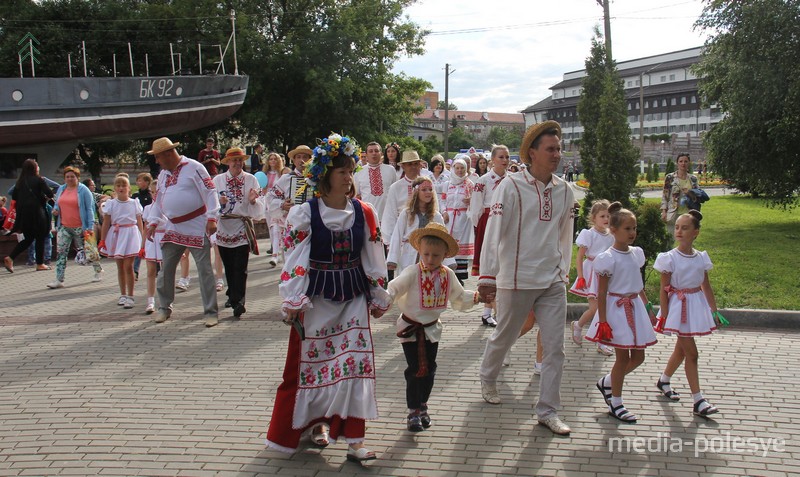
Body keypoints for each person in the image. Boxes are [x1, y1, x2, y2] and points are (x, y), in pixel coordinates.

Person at [266, 133, 390, 462]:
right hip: (316, 301)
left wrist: (378, 295)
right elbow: (294, 259)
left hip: (353, 298)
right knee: (311, 368)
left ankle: (354, 441)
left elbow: (373, 256)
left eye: (351, 171)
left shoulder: (364, 212)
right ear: (325, 176)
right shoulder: (305, 213)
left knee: (354, 368)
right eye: (342, 172)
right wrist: (292, 300)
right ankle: (313, 425)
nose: (349, 178)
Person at [477, 121, 575, 436]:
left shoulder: (564, 189)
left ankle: (548, 410)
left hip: (550, 281)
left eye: (559, 149)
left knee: (555, 347)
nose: (557, 154)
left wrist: (564, 268)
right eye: (550, 149)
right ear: (532, 153)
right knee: (505, 336)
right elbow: (494, 232)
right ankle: (488, 377)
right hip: (515, 279)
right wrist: (488, 275)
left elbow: (565, 234)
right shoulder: (511, 186)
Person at [388, 222, 484, 432]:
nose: (430, 260)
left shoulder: (447, 274)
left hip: (431, 330)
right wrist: (384, 300)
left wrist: (477, 297)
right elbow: (395, 288)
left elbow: (458, 296)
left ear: (444, 255)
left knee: (430, 369)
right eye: (426, 254)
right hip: (411, 329)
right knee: (415, 369)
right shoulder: (412, 272)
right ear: (419, 252)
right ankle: (413, 410)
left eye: (436, 256)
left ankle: (423, 405)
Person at [584, 202, 658, 423]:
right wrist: (603, 322)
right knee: (622, 357)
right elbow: (602, 292)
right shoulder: (608, 258)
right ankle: (616, 402)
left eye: (634, 228)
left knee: (639, 356)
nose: (632, 233)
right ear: (613, 231)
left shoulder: (636, 254)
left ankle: (607, 382)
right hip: (616, 311)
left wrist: (647, 307)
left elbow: (638, 284)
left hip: (634, 308)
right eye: (627, 229)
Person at [653, 210, 724, 417]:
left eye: (685, 228)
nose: (679, 231)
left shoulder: (701, 257)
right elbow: (664, 289)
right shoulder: (669, 258)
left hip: (695, 307)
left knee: (682, 351)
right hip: (678, 309)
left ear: (696, 233)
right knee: (692, 353)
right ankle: (698, 400)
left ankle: (664, 380)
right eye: (677, 227)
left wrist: (714, 311)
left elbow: (706, 285)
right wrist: (664, 315)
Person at [145, 137, 220, 327]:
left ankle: (211, 311)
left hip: (196, 224)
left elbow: (210, 191)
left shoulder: (194, 167)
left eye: (158, 157)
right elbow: (159, 199)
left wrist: (212, 218)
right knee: (166, 269)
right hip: (173, 227)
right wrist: (154, 221)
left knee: (204, 270)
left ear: (169, 154)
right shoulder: (163, 174)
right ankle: (164, 307)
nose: (156, 161)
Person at [213, 147, 261, 319]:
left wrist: (253, 201)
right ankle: (232, 294)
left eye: (240, 160)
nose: (237, 163)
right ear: (228, 163)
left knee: (240, 266)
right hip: (224, 226)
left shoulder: (251, 179)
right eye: (234, 160)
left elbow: (258, 206)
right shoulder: (218, 180)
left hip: (242, 225)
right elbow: (211, 205)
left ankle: (238, 301)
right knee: (229, 265)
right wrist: (220, 202)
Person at [469, 145, 510, 325]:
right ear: (492, 159)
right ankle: (488, 312)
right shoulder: (483, 180)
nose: (505, 160)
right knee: (490, 266)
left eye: (507, 157)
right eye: (501, 157)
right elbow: (476, 207)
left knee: (505, 267)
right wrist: (480, 228)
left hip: (508, 223)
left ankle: (496, 311)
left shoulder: (513, 180)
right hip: (489, 222)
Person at [569, 199, 615, 356]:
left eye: (608, 216)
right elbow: (580, 257)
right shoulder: (589, 234)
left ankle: (601, 342)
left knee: (605, 310)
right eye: (602, 216)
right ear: (594, 218)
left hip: (606, 274)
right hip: (591, 273)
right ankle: (578, 325)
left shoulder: (611, 236)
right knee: (596, 308)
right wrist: (581, 276)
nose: (606, 219)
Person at [47, 166, 103, 288]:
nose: (70, 179)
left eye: (72, 176)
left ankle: (97, 271)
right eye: (67, 177)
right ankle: (59, 279)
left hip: (81, 226)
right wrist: (55, 210)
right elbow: (57, 203)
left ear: (77, 177)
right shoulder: (61, 189)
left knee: (89, 250)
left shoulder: (83, 190)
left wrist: (89, 226)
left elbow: (89, 209)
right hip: (64, 226)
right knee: (61, 253)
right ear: (64, 178)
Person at [99, 175, 144, 309]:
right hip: (117, 235)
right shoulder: (111, 204)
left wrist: (142, 240)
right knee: (120, 267)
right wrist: (102, 239)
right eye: (118, 185)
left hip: (130, 234)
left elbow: (140, 222)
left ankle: (130, 295)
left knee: (128, 266)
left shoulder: (134, 203)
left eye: (123, 185)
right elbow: (106, 222)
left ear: (128, 188)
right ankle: (123, 294)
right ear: (114, 188)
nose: (121, 188)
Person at [387, 176, 447, 274]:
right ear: (416, 192)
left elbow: (444, 238)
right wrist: (392, 258)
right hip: (408, 255)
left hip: (429, 258)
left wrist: (449, 261)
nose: (428, 192)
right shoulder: (407, 213)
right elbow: (396, 235)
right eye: (424, 190)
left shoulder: (436, 216)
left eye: (430, 189)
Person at [4, 159, 54, 273]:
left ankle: (10, 257)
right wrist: (42, 197)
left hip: (24, 215)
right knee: (40, 237)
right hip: (37, 213)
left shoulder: (20, 182)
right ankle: (40, 264)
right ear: (35, 168)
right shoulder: (39, 180)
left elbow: (15, 197)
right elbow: (50, 194)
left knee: (29, 238)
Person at [381, 150, 432, 254]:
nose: (413, 167)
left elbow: (434, 208)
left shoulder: (428, 185)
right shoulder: (395, 187)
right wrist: (391, 242)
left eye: (416, 164)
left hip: (425, 235)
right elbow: (390, 214)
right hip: (403, 238)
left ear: (420, 166)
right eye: (409, 164)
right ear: (403, 167)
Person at [442, 158, 474, 286]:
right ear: (453, 169)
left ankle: (459, 276)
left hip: (463, 219)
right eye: (457, 168)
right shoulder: (447, 184)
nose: (460, 171)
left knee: (460, 245)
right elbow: (442, 200)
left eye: (462, 168)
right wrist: (444, 211)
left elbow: (477, 200)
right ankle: (447, 272)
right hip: (449, 218)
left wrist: (471, 201)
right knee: (448, 243)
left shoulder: (470, 184)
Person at [354, 142, 397, 220]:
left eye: (376, 151)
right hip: (367, 218)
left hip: (387, 218)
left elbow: (395, 193)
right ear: (366, 155)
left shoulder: (390, 170)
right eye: (370, 151)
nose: (374, 153)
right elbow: (356, 196)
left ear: (381, 153)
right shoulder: (359, 172)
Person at [261, 152, 290, 267]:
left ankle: (276, 253)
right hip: (268, 203)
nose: (272, 161)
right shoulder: (265, 174)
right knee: (271, 227)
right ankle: (274, 247)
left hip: (281, 204)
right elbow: (262, 188)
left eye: (275, 159)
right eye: (271, 159)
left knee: (277, 229)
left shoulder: (282, 174)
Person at [661, 153, 699, 236]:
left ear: (689, 163)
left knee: (687, 237)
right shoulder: (670, 177)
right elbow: (665, 195)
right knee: (670, 238)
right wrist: (664, 211)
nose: (683, 163)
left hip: (688, 213)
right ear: (677, 163)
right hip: (673, 212)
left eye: (686, 161)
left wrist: (689, 193)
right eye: (681, 161)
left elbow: (698, 197)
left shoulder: (693, 179)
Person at [141, 182, 163, 314]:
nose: (155, 195)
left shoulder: (167, 207)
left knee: (166, 272)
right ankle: (150, 301)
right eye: (153, 192)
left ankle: (165, 300)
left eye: (158, 192)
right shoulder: (148, 208)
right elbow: (145, 228)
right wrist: (142, 246)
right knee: (150, 271)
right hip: (151, 239)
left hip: (164, 238)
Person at [132, 172, 154, 281]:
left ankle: (157, 269)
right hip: (138, 224)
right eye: (139, 180)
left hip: (149, 224)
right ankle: (135, 270)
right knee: (139, 247)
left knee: (151, 248)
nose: (140, 183)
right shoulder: (135, 196)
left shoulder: (150, 195)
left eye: (143, 181)